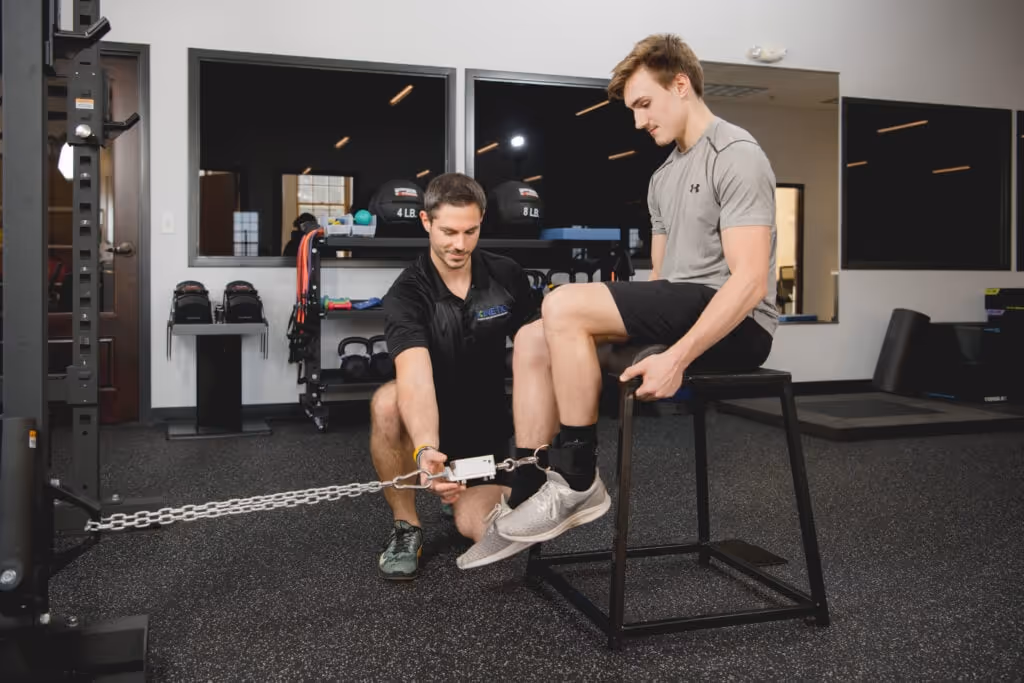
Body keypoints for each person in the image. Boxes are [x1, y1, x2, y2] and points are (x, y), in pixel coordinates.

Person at [487, 33, 780, 550]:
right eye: (633, 109)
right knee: (535, 337)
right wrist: (628, 327)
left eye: (645, 103)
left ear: (682, 84)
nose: (639, 121)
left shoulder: (736, 154)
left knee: (562, 303)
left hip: (741, 322)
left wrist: (677, 358)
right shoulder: (663, 177)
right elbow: (661, 284)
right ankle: (531, 482)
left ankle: (578, 480)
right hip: (683, 300)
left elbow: (750, 280)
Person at [371, 172, 546, 580]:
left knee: (483, 528)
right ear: (425, 222)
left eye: (470, 231)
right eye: (448, 231)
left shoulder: (506, 275)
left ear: (482, 221)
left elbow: (537, 353)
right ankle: (406, 526)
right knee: (386, 401)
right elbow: (414, 375)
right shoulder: (407, 294)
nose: (459, 244)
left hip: (485, 423)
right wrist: (426, 450)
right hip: (429, 418)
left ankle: (464, 496)